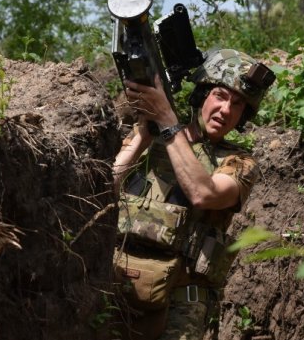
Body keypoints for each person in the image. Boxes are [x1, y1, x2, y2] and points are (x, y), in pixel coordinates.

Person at [113, 48, 275, 340]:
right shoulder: (154, 137)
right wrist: (143, 135)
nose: (226, 110)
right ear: (201, 96)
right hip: (119, 283)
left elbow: (203, 194)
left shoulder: (240, 162)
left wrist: (166, 120)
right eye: (220, 96)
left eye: (237, 104)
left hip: (181, 302)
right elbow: (103, 188)